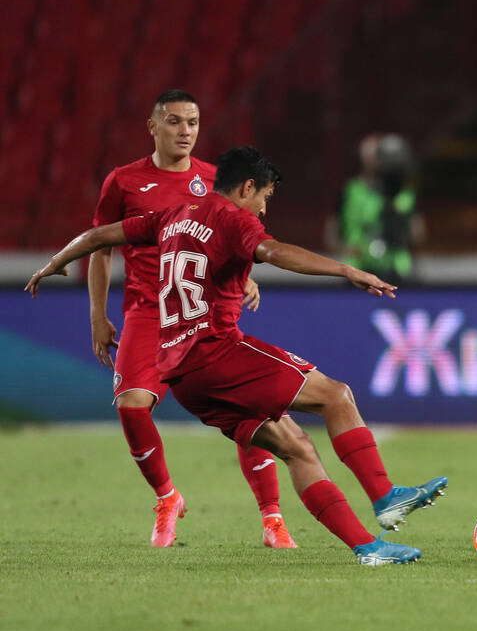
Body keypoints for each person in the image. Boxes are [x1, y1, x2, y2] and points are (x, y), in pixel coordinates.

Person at [29, 146, 447, 565]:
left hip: (181, 373)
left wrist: (55, 261)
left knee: (295, 447)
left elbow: (100, 235)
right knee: (337, 395)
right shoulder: (232, 218)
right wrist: (345, 270)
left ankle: (369, 548)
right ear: (247, 187)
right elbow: (275, 252)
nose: (263, 209)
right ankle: (386, 497)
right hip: (217, 352)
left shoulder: (172, 216)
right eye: (264, 196)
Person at [89, 89, 297, 548]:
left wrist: (244, 276)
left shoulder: (214, 179)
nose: (185, 131)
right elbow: (100, 248)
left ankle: (273, 517)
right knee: (131, 405)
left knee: (247, 411)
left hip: (203, 315)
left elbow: (241, 234)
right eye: (175, 121)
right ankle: (167, 497)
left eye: (193, 123)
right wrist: (97, 316)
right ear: (153, 126)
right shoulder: (123, 182)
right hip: (146, 311)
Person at [339, 134, 418, 283]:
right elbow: (338, 230)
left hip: (397, 268)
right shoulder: (352, 191)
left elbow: (414, 233)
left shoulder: (405, 194)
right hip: (358, 267)